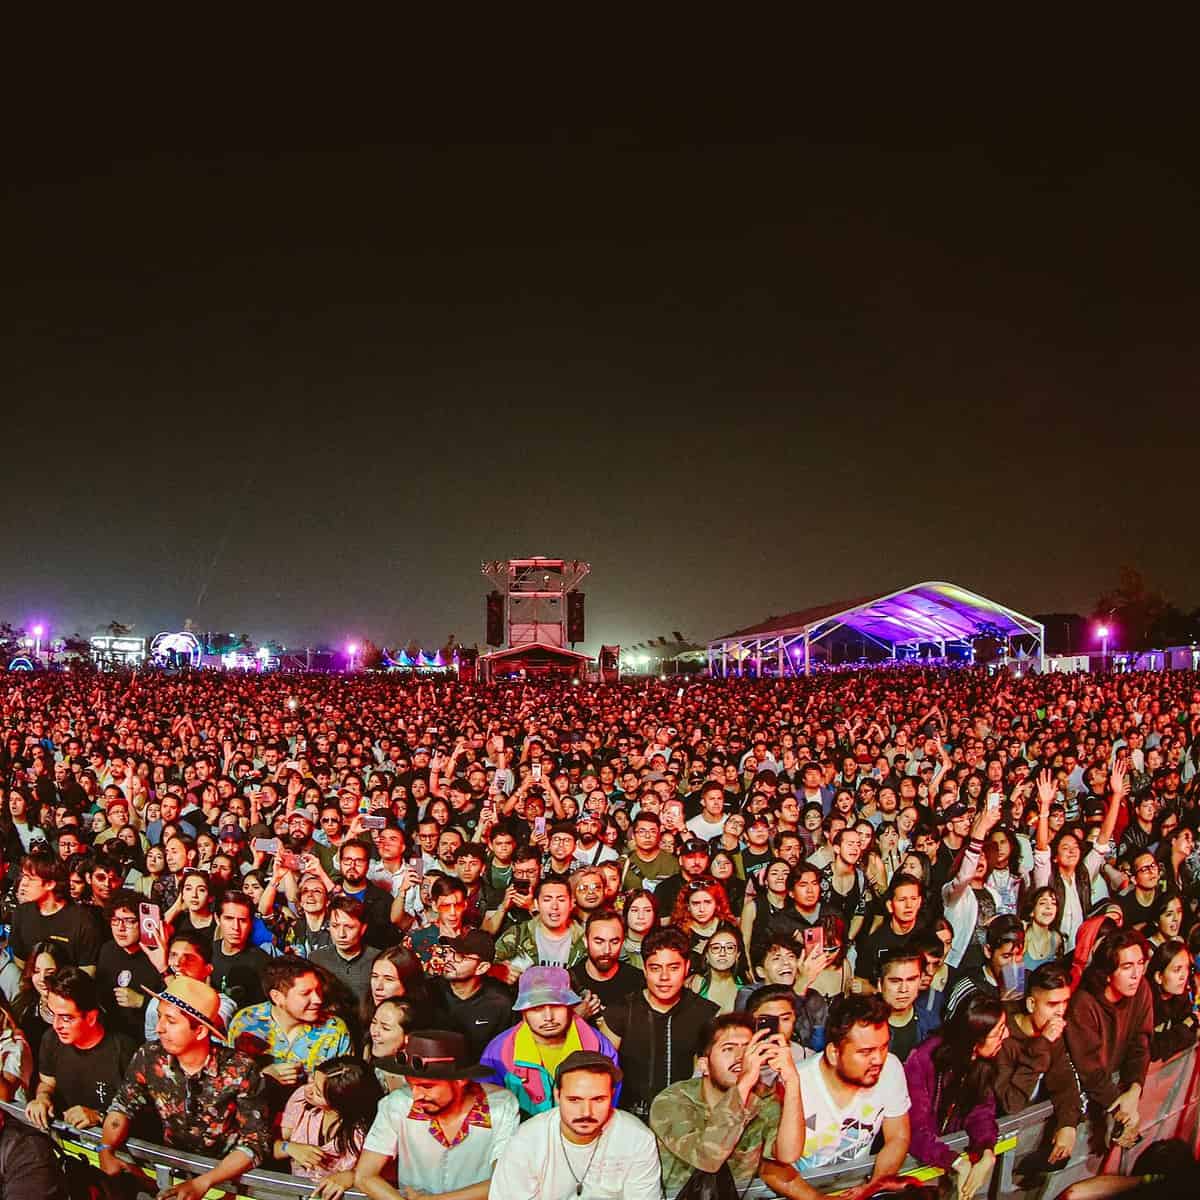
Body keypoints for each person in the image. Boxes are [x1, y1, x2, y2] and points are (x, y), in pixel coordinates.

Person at [99, 977, 272, 1200]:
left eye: (170, 1021)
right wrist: (105, 1148)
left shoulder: (241, 1069)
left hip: (227, 1181)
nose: (159, 1028)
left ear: (200, 1031)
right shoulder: (149, 1055)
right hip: (171, 1173)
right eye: (159, 1017)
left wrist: (205, 1182)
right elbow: (123, 1105)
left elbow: (256, 1142)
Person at [761, 994, 910, 1200]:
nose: (878, 1059)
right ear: (833, 1053)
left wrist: (874, 1186)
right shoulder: (792, 1083)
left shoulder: (891, 1068)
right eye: (865, 1052)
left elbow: (898, 1136)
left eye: (883, 1047)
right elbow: (769, 1167)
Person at [651, 1013, 804, 1198]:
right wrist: (744, 1083)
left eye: (748, 1049)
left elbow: (788, 1155)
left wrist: (792, 1081)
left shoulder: (763, 1098)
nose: (741, 1057)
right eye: (728, 1049)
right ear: (704, 1065)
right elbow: (708, 1159)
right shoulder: (672, 1100)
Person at [356, 1029, 520, 1200]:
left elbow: (505, 1181)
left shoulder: (501, 1107)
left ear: (460, 1080)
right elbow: (365, 1176)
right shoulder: (397, 1104)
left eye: (427, 1086)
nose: (416, 1095)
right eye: (411, 1085)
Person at [489, 1051, 660, 1200]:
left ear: (612, 1095)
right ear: (557, 1095)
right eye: (574, 1100)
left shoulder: (637, 1138)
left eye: (598, 1099)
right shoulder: (527, 1141)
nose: (586, 1112)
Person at [597, 926, 719, 1120]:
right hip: (628, 1117)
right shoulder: (620, 1012)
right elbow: (600, 1073)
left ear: (687, 967)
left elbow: (709, 1080)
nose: (664, 977)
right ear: (645, 969)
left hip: (685, 1118)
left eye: (673, 968)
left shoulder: (704, 1013)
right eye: (655, 968)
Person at [903, 992, 1005, 1198]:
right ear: (974, 1040)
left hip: (943, 1166)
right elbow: (914, 1129)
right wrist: (955, 1161)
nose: (1007, 1035)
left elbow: (981, 1113)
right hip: (912, 1171)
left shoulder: (982, 1064)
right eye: (998, 1032)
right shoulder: (923, 1060)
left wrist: (986, 1152)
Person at [481, 965, 620, 1116]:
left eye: (556, 1006)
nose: (548, 1017)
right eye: (536, 1008)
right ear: (522, 1011)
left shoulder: (600, 1048)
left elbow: (609, 1105)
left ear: (570, 1006)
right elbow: (490, 1110)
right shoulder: (498, 1052)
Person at [1066, 927, 1153, 1150]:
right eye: (1127, 967)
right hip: (1084, 1100)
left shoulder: (1141, 989)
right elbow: (1089, 1069)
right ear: (1108, 973)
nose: (1136, 974)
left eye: (1140, 963)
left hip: (1116, 1096)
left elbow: (1140, 1044)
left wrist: (1134, 1090)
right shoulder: (1083, 1004)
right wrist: (1122, 1112)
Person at [24, 966, 135, 1131]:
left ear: (91, 1017)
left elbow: (141, 1116)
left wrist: (99, 1116)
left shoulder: (125, 1051)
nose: (56, 1026)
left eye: (66, 1018)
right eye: (53, 1014)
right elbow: (47, 1083)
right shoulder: (51, 1039)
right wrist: (42, 1097)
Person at [993, 961, 1083, 1165]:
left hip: (1028, 1143)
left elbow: (1064, 1082)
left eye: (1065, 1002)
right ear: (1031, 1004)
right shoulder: (1002, 1035)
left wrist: (1068, 1124)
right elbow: (1011, 1103)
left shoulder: (1051, 1034)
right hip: (995, 1144)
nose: (1060, 1012)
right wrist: (1042, 1044)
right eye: (1052, 1004)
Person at [227, 958, 352, 1088]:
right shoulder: (245, 1021)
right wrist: (262, 1077)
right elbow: (229, 1079)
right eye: (305, 993)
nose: (318, 999)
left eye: (318, 990)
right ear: (277, 997)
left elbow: (344, 1087)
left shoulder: (334, 1029)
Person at [277, 1055, 382, 1200]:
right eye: (311, 1080)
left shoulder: (364, 1131)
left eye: (318, 1093)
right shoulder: (301, 1101)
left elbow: (379, 1172)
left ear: (340, 1102)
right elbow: (268, 1145)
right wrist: (289, 1147)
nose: (308, 1089)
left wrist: (352, 1176)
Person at [10, 852, 103, 973]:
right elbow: (20, 960)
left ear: (50, 884)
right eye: (24, 876)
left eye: (30, 879)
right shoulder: (21, 913)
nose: (24, 884)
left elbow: (88, 971)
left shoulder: (83, 921)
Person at [142, 929, 238, 1041]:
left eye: (189, 958)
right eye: (173, 955)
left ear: (207, 969)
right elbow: (153, 1045)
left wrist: (164, 971)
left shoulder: (224, 1004)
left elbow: (202, 1021)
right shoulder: (156, 1003)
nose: (178, 963)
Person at [94, 888, 164, 1041]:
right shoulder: (107, 950)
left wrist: (142, 1002)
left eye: (129, 921)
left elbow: (174, 1008)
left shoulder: (158, 956)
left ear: (145, 922)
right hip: (111, 1038)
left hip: (148, 1038)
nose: (121, 928)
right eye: (115, 920)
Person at [430, 930, 514, 1057]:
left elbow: (504, 1052)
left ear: (482, 968)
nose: (449, 959)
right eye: (450, 952)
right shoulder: (430, 991)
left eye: (462, 957)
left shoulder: (500, 1003)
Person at [494, 877, 585, 980]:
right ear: (536, 904)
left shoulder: (585, 941)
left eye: (561, 900)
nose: (554, 906)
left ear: (571, 904)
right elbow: (487, 966)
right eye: (547, 900)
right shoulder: (518, 934)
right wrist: (500, 970)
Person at [570, 909, 643, 1019]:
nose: (607, 950)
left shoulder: (637, 980)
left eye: (614, 942)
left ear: (622, 942)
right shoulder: (568, 980)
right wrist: (576, 1017)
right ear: (585, 941)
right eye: (599, 942)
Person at [210, 890, 272, 1007]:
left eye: (242, 920)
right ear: (217, 919)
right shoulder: (208, 951)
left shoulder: (261, 962)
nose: (236, 927)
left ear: (251, 923)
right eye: (229, 918)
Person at [311, 896, 375, 1007]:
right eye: (335, 926)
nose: (341, 934)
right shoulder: (316, 959)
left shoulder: (378, 960)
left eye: (349, 927)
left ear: (363, 929)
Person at [875, 950, 938, 1063]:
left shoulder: (931, 1024)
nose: (903, 989)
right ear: (880, 984)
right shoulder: (866, 1027)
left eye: (911, 979)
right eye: (895, 981)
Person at [1146, 938, 1196, 1062]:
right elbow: (1152, 1049)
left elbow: (1193, 1026)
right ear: (1159, 976)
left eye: (1187, 968)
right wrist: (1184, 1028)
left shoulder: (1181, 997)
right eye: (1177, 970)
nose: (1184, 976)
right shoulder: (1145, 1003)